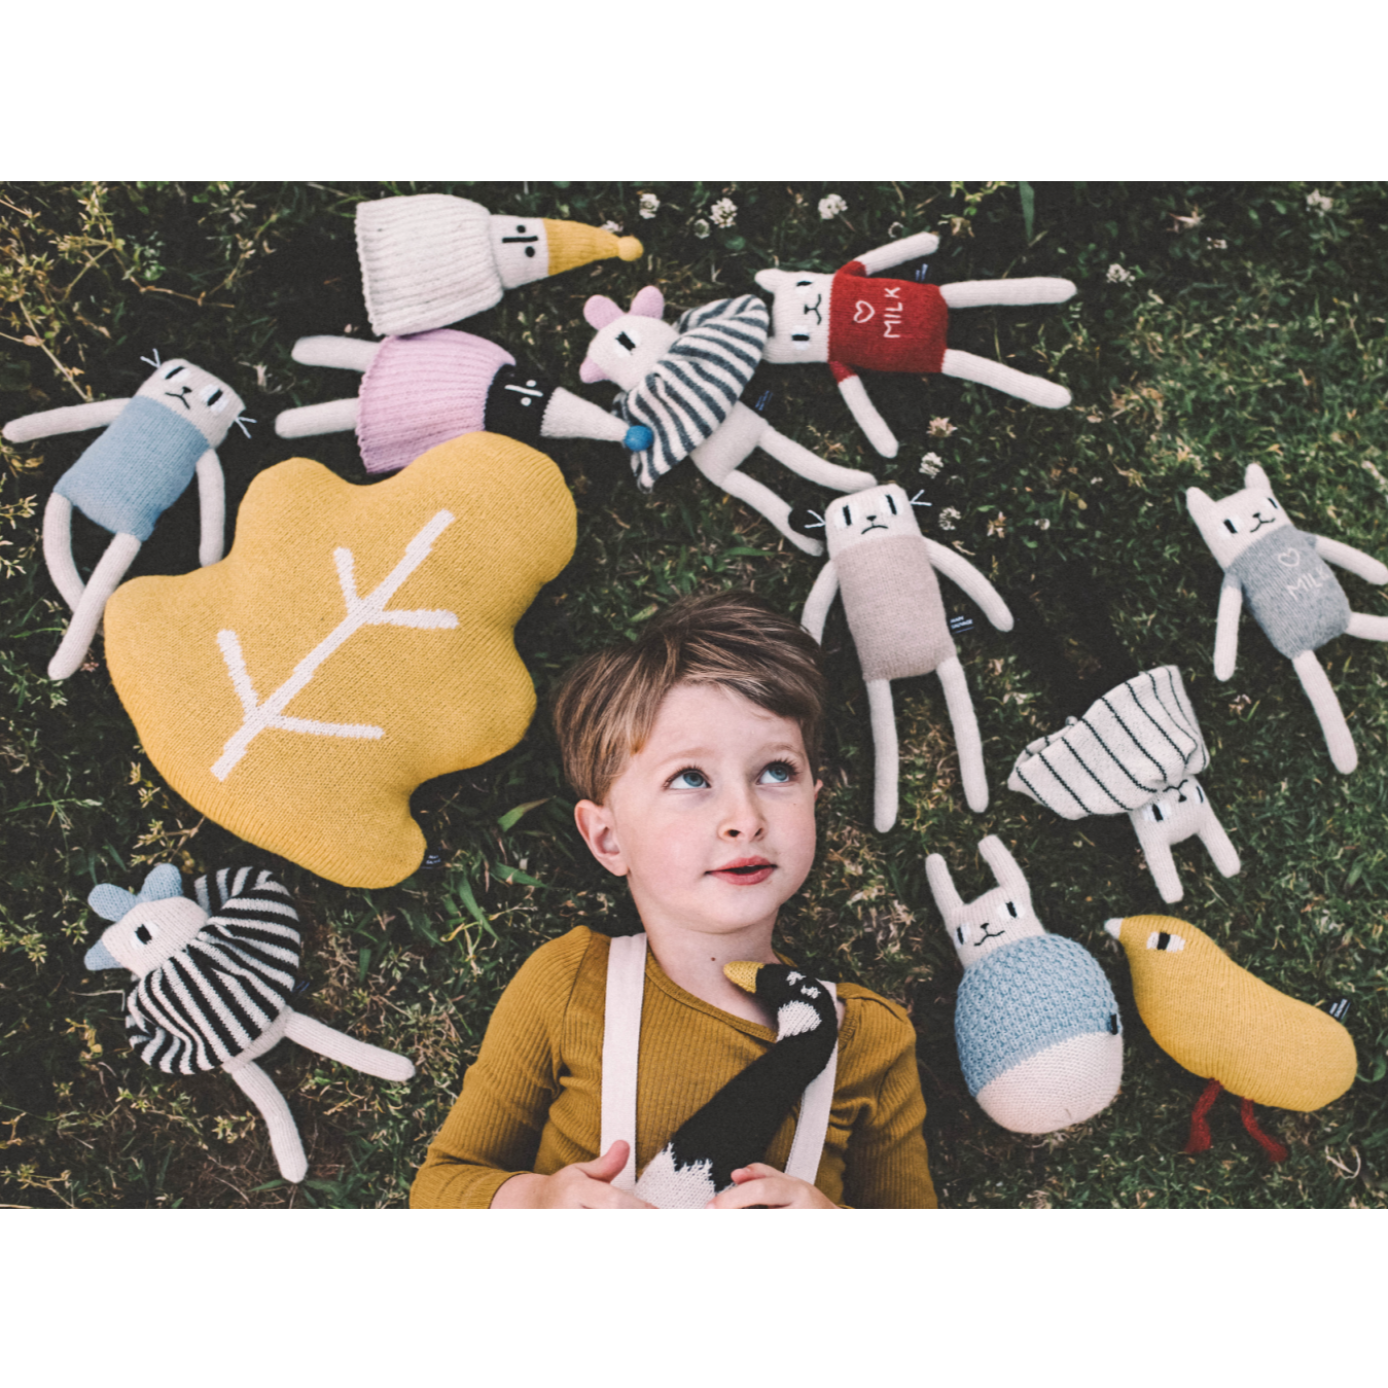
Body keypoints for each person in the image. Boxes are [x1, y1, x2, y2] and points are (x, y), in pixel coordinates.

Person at [410, 591, 937, 1208]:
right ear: (608, 838)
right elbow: (443, 1183)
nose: (744, 818)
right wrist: (537, 1202)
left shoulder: (870, 1038)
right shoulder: (570, 983)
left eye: (776, 771)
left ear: (813, 799)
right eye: (690, 778)